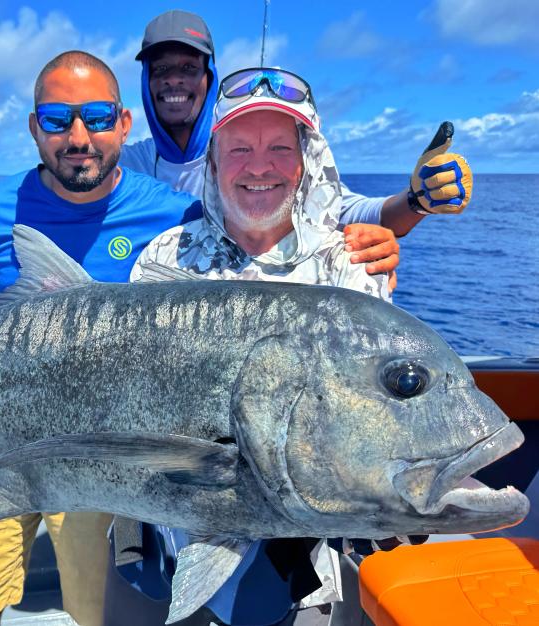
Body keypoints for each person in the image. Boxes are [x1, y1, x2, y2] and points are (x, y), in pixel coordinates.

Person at [118, 68, 411, 626]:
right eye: (239, 149)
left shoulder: (351, 265)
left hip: (295, 560)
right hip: (178, 531)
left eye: (280, 146)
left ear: (306, 161)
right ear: (212, 161)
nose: (259, 166)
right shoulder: (161, 260)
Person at [0, 50, 204, 626]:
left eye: (97, 117)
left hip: (101, 458)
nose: (79, 137)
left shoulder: (178, 216)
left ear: (124, 123)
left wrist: (369, 239)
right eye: (57, 120)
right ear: (34, 128)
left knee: (96, 612)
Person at [0, 9, 472, 283]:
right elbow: (71, 175)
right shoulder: (133, 162)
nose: (175, 81)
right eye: (162, 70)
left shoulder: (266, 165)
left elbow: (349, 211)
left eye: (188, 69)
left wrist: (417, 201)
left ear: (208, 78)